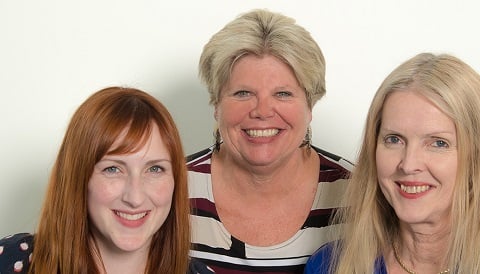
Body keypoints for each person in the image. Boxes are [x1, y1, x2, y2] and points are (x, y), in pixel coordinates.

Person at [304, 52, 480, 274]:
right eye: (394, 139)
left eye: (438, 143)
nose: (409, 164)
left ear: (478, 157)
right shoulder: (329, 266)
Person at [186, 9, 353, 274]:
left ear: (310, 106)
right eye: (242, 93)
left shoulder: (359, 194)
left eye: (283, 94)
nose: (262, 111)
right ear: (216, 104)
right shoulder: (169, 189)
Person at [0, 87, 213, 274]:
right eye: (113, 169)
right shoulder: (9, 261)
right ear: (77, 177)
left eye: (155, 169)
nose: (135, 197)